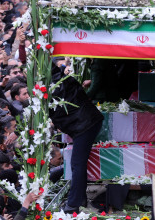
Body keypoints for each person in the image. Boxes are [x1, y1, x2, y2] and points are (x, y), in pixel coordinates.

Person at [49, 64, 103, 213]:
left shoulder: (54, 88)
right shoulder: (63, 79)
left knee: (77, 163)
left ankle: (73, 204)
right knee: (77, 163)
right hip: (87, 122)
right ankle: (79, 199)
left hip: (85, 125)